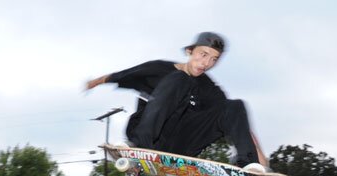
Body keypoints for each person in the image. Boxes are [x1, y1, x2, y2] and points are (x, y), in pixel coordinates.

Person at [84, 32, 267, 167]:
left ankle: (247, 166)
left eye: (214, 59)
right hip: (149, 138)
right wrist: (94, 82)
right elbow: (122, 75)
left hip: (181, 145)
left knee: (235, 105)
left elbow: (236, 121)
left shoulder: (209, 88)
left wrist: (261, 160)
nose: (206, 63)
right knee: (180, 79)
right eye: (203, 55)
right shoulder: (157, 68)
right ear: (190, 51)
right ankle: (139, 148)